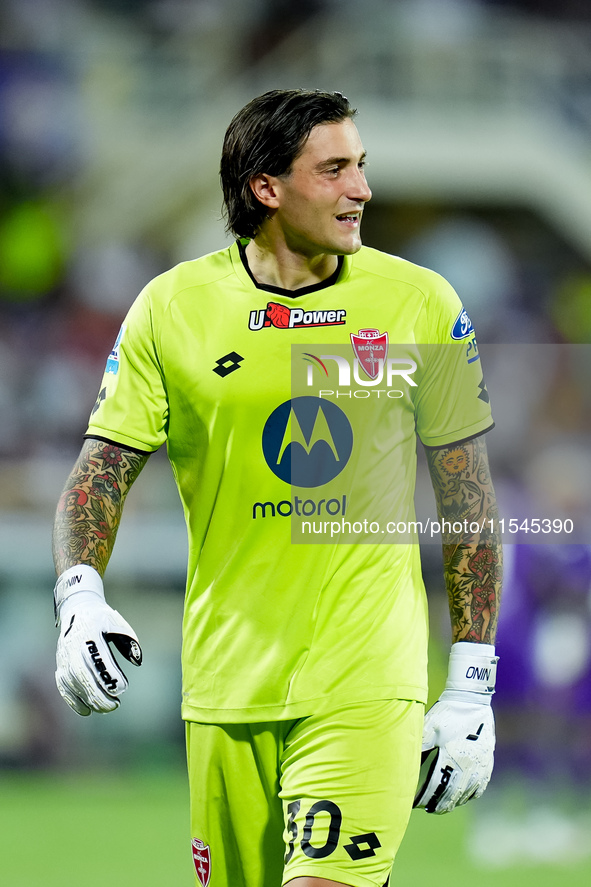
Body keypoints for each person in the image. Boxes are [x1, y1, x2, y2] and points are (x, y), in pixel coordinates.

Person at [52, 89, 502, 887]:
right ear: (266, 187)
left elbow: (466, 498)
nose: (360, 189)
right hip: (226, 686)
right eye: (334, 170)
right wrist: (80, 595)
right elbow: (101, 469)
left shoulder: (419, 301)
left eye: (360, 166)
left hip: (366, 678)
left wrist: (471, 680)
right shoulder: (171, 308)